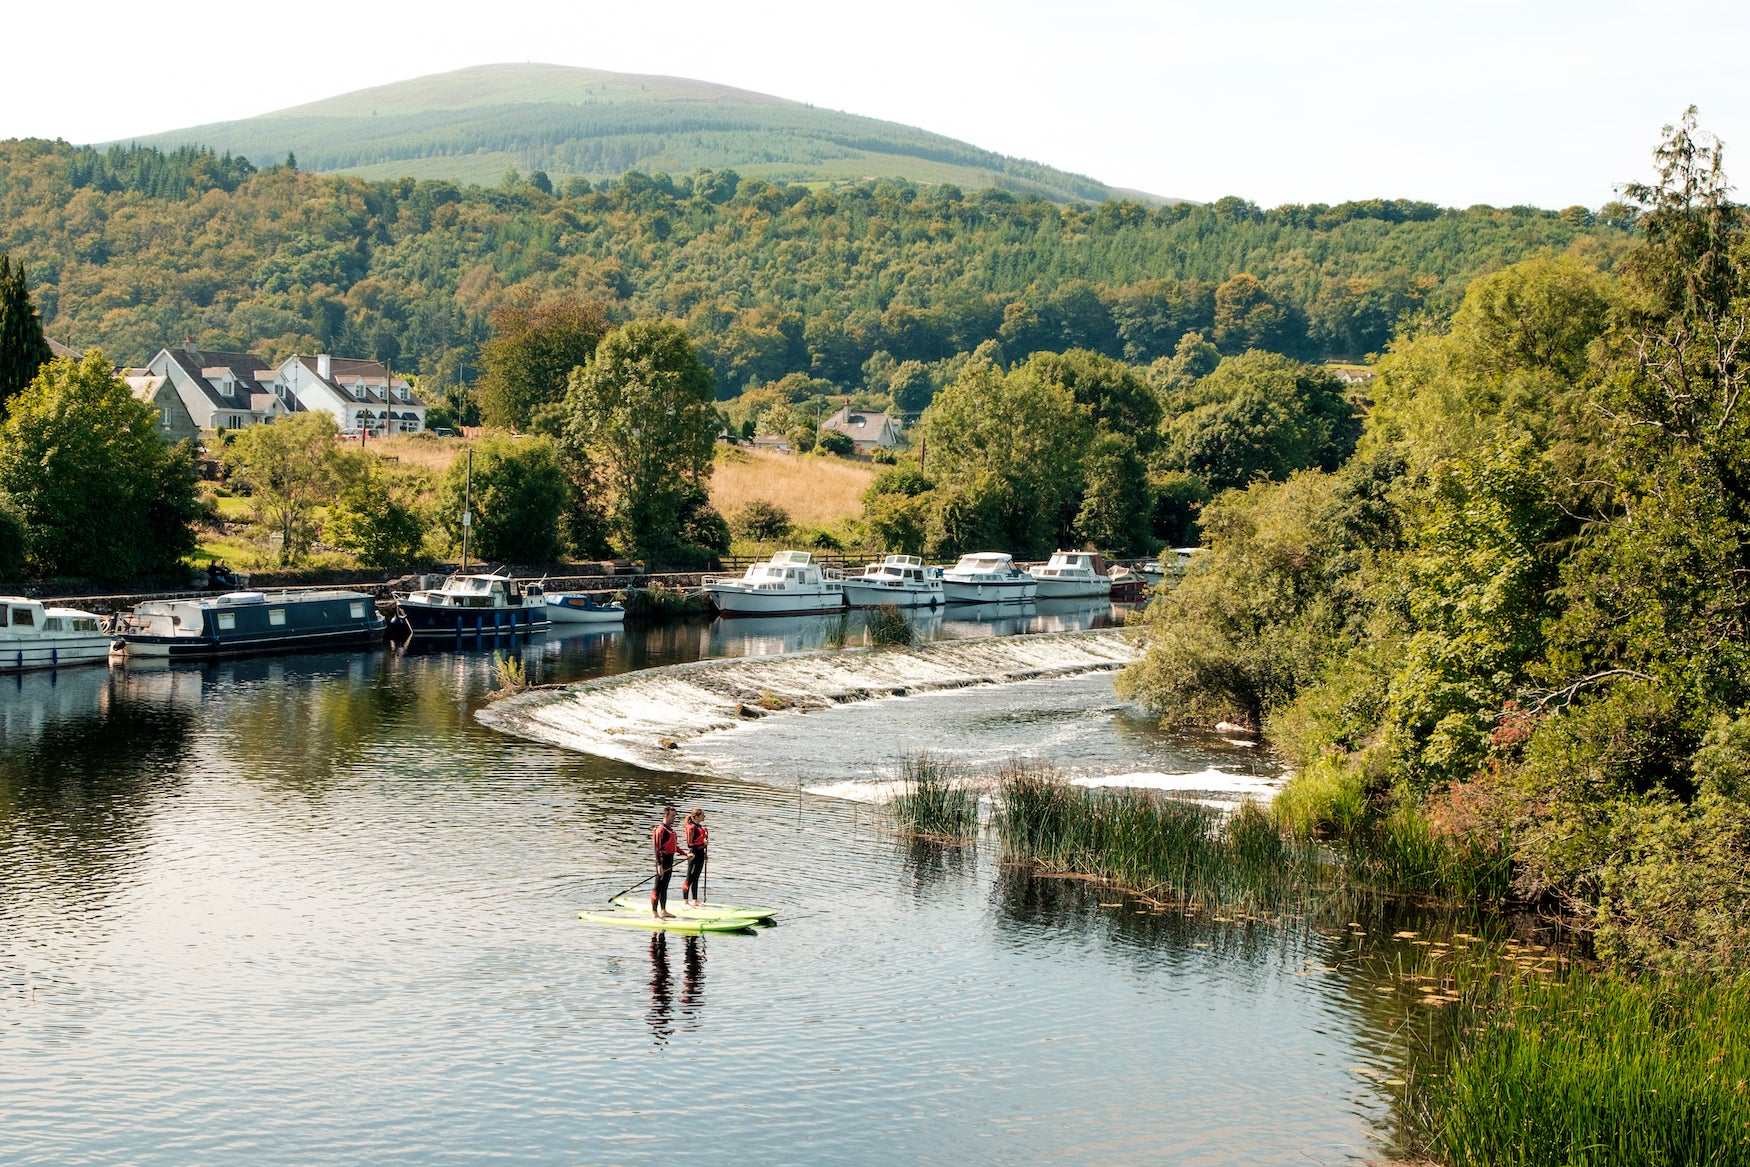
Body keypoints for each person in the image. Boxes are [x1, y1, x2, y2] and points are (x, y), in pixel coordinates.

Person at [651, 805, 687, 919]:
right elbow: (657, 848)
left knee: (665, 887)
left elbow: (674, 846)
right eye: (672, 816)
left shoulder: (670, 830)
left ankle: (663, 911)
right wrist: (659, 865)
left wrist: (686, 854)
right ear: (665, 815)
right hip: (662, 861)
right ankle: (654, 913)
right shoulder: (660, 830)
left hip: (669, 861)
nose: (674, 818)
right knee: (658, 887)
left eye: (674, 816)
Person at [681, 808, 708, 908]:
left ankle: (695, 900)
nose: (704, 817)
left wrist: (704, 852)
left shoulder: (700, 827)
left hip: (700, 854)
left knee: (696, 878)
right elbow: (690, 844)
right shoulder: (691, 828)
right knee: (690, 878)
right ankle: (685, 901)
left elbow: (700, 843)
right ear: (696, 816)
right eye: (702, 815)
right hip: (693, 855)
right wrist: (702, 843)